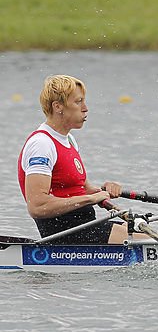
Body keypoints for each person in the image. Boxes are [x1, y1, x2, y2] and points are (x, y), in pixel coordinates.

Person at [17, 75, 130, 244]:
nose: (85, 108)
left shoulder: (68, 140)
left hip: (87, 227)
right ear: (58, 107)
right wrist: (91, 199)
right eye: (78, 102)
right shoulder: (42, 144)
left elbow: (81, 189)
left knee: (157, 236)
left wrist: (103, 190)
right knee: (157, 242)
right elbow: (37, 206)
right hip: (65, 234)